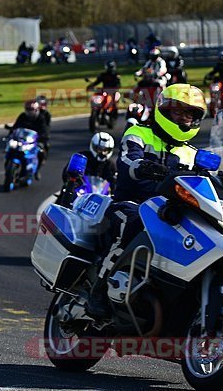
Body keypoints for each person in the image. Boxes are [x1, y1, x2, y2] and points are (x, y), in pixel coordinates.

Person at [86, 84, 207, 318]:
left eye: (190, 114)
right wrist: (145, 166)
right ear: (164, 110)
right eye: (179, 112)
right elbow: (128, 161)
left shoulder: (192, 153)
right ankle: (98, 290)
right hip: (132, 202)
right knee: (131, 223)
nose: (185, 118)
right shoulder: (139, 133)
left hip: (170, 211)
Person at [11, 100, 49, 178]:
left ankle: (37, 170)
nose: (29, 112)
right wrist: (11, 134)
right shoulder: (22, 116)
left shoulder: (41, 118)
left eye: (31, 110)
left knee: (41, 151)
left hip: (35, 140)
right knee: (10, 148)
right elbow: (15, 127)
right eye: (27, 109)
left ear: (36, 110)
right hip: (22, 139)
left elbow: (44, 130)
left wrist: (42, 137)